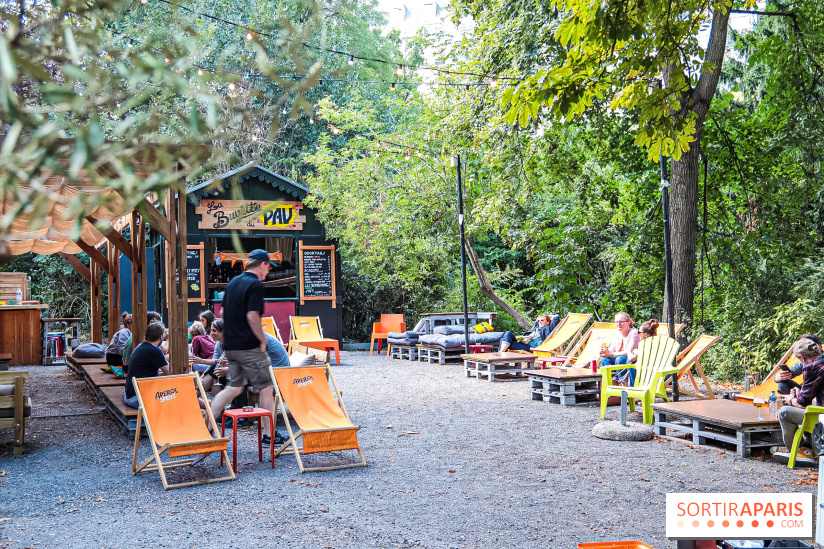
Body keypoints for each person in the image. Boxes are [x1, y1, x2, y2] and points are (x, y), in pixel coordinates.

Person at [209, 249, 283, 446]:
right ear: (261, 264)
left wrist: (232, 333)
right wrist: (262, 340)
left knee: (234, 388)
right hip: (249, 347)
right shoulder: (255, 285)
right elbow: (252, 316)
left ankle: (207, 427)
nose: (268, 270)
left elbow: (223, 312)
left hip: (232, 346)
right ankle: (269, 435)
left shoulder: (233, 283)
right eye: (268, 266)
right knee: (266, 388)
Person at [772, 337, 824, 466]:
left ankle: (798, 451)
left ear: (802, 357)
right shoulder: (820, 361)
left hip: (821, 414)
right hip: (818, 406)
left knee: (784, 413)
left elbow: (802, 404)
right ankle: (806, 448)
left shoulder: (811, 367)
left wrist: (791, 400)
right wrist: (800, 395)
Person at [122, 322, 170, 409]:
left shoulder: (141, 346)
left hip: (130, 393)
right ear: (161, 337)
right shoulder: (154, 350)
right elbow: (170, 372)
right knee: (174, 396)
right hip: (137, 398)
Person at [600, 312, 639, 382]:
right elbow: (612, 350)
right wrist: (606, 352)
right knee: (604, 359)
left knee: (619, 359)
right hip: (619, 357)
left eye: (621, 322)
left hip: (631, 358)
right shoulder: (617, 333)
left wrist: (611, 354)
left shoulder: (634, 333)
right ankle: (613, 379)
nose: (618, 324)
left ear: (628, 322)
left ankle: (623, 382)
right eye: (616, 322)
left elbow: (629, 351)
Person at [620, 318, 658, 385]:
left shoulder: (649, 344)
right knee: (621, 359)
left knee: (630, 362)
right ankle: (625, 384)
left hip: (654, 373)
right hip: (650, 369)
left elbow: (632, 358)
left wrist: (629, 351)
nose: (638, 334)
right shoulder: (653, 342)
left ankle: (633, 386)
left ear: (646, 335)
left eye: (639, 332)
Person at [201, 319, 227, 393]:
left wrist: (200, 360)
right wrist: (203, 374)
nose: (211, 333)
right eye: (211, 330)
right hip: (224, 372)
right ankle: (217, 404)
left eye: (214, 331)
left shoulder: (230, 343)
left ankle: (196, 395)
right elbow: (215, 361)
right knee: (215, 378)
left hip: (236, 374)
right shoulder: (218, 343)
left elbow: (219, 361)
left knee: (214, 374)